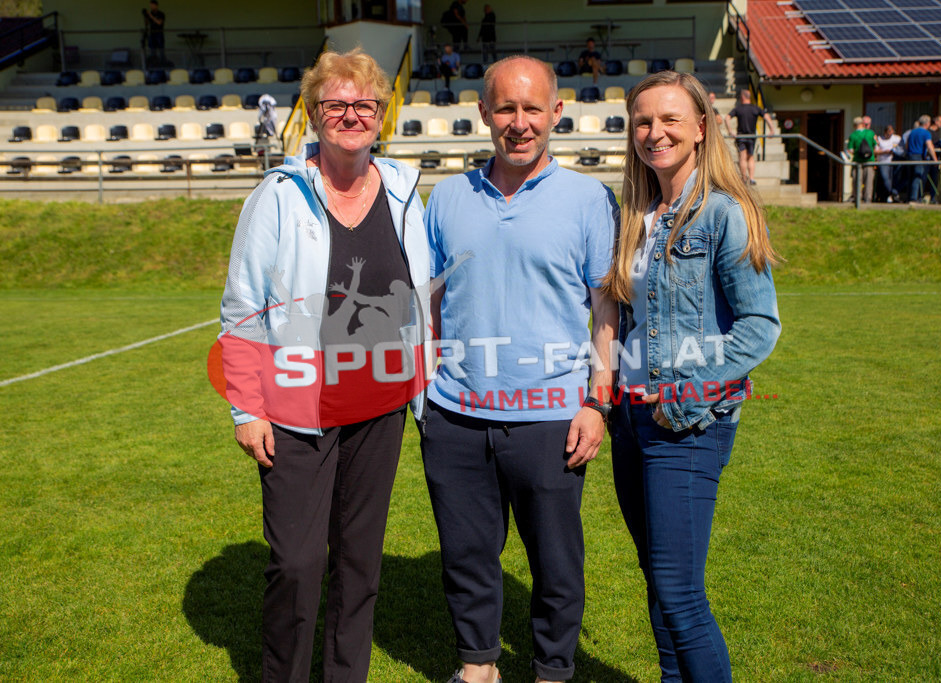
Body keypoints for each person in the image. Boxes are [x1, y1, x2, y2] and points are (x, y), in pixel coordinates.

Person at [218, 48, 431, 682]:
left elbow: (421, 293)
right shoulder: (279, 196)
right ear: (313, 114)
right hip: (294, 411)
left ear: (380, 114)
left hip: (381, 408)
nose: (351, 115)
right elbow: (241, 310)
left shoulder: (403, 192)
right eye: (335, 104)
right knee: (297, 562)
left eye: (364, 104)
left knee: (361, 563)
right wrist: (246, 407)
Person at [420, 55, 618, 683]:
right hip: (456, 416)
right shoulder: (446, 197)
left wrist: (597, 402)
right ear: (484, 112)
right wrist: (426, 394)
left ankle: (553, 669)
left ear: (556, 112)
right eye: (506, 107)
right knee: (467, 555)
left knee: (556, 561)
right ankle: (478, 666)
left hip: (551, 418)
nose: (519, 122)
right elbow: (428, 304)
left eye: (533, 108)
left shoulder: (589, 199)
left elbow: (606, 310)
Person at [604, 70, 780, 683]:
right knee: (659, 587)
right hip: (630, 420)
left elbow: (760, 324)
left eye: (670, 119)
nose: (656, 133)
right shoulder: (634, 215)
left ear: (701, 128)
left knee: (680, 594)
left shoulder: (723, 214)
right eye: (644, 121)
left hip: (686, 424)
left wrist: (686, 393)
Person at [725, 89, 775, 185]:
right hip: (751, 137)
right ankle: (751, 178)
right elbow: (767, 117)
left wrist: (730, 131)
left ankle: (744, 178)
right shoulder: (755, 108)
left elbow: (727, 117)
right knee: (750, 157)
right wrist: (772, 130)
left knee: (743, 157)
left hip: (741, 136)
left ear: (742, 97)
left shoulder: (738, 108)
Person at [906, 115, 938, 204]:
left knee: (910, 177)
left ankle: (908, 197)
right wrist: (935, 159)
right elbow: (930, 146)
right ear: (927, 123)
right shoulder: (926, 133)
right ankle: (914, 198)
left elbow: (907, 145)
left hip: (909, 156)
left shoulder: (912, 132)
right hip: (918, 157)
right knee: (917, 177)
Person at [846, 115, 876, 203]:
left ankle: (858, 199)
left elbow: (850, 150)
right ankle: (868, 199)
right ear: (863, 124)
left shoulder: (853, 135)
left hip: (857, 161)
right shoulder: (871, 133)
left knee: (857, 181)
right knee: (869, 181)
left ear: (854, 125)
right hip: (869, 161)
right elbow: (875, 146)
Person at [875, 124, 902, 202]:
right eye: (887, 134)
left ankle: (892, 195)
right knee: (885, 179)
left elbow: (901, 146)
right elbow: (876, 151)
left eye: (891, 133)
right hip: (883, 162)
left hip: (893, 162)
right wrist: (885, 152)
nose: (889, 135)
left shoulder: (896, 138)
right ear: (885, 132)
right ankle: (891, 194)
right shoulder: (880, 139)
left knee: (894, 179)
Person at [928, 114, 941, 203]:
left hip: (936, 158)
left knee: (935, 178)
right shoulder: (929, 132)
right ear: (936, 122)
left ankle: (933, 197)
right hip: (928, 159)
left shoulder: (937, 133)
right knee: (925, 178)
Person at [142, 0, 165, 65]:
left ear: (156, 6)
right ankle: (154, 64)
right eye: (150, 6)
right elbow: (146, 24)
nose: (151, 7)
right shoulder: (150, 14)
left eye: (152, 5)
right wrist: (146, 16)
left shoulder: (161, 14)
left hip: (159, 33)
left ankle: (163, 64)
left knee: (161, 51)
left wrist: (151, 16)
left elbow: (159, 23)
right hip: (152, 34)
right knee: (152, 51)